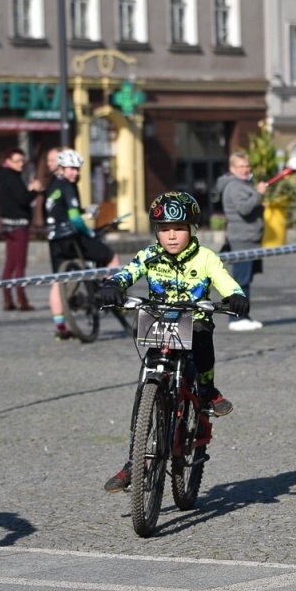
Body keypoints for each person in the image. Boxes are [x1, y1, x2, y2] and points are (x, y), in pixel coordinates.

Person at [95, 191, 249, 491]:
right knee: (144, 389)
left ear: (192, 229)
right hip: (158, 323)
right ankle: (135, 461)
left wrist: (236, 296)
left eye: (178, 229)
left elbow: (223, 279)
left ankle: (206, 389)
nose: (172, 236)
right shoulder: (148, 255)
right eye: (164, 230)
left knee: (204, 338)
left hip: (195, 322)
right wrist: (111, 286)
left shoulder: (206, 257)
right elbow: (127, 273)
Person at [44, 149, 114, 339]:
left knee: (57, 281)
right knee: (111, 257)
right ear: (62, 168)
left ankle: (60, 327)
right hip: (70, 237)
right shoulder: (68, 186)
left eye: (77, 169)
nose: (75, 172)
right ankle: (112, 296)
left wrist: (83, 209)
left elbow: (62, 209)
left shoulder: (53, 185)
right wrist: (89, 232)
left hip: (53, 239)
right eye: (71, 169)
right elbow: (74, 219)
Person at [218, 150, 267, 332]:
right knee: (240, 281)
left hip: (251, 239)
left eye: (247, 166)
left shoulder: (243, 184)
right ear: (232, 168)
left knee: (246, 280)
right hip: (242, 240)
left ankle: (244, 315)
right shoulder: (234, 187)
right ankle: (237, 318)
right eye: (241, 166)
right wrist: (258, 194)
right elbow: (244, 209)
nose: (245, 169)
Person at [0, 148, 43, 312]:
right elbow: (22, 199)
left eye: (22, 161)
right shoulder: (12, 178)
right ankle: (22, 300)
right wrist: (35, 190)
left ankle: (8, 299)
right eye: (17, 161)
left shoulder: (1, 176)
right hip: (19, 225)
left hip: (7, 225)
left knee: (10, 263)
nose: (21, 164)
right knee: (20, 264)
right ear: (8, 161)